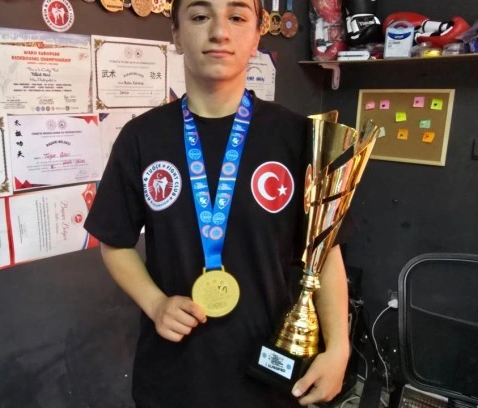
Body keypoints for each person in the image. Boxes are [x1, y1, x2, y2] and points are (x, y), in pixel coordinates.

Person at [84, 0, 350, 405]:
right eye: (199, 16)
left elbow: (325, 251)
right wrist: (156, 304)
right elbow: (114, 242)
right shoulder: (142, 138)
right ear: (176, 34)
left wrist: (339, 347)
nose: (219, 32)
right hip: (173, 377)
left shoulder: (297, 137)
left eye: (237, 17)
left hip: (270, 377)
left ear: (257, 35)